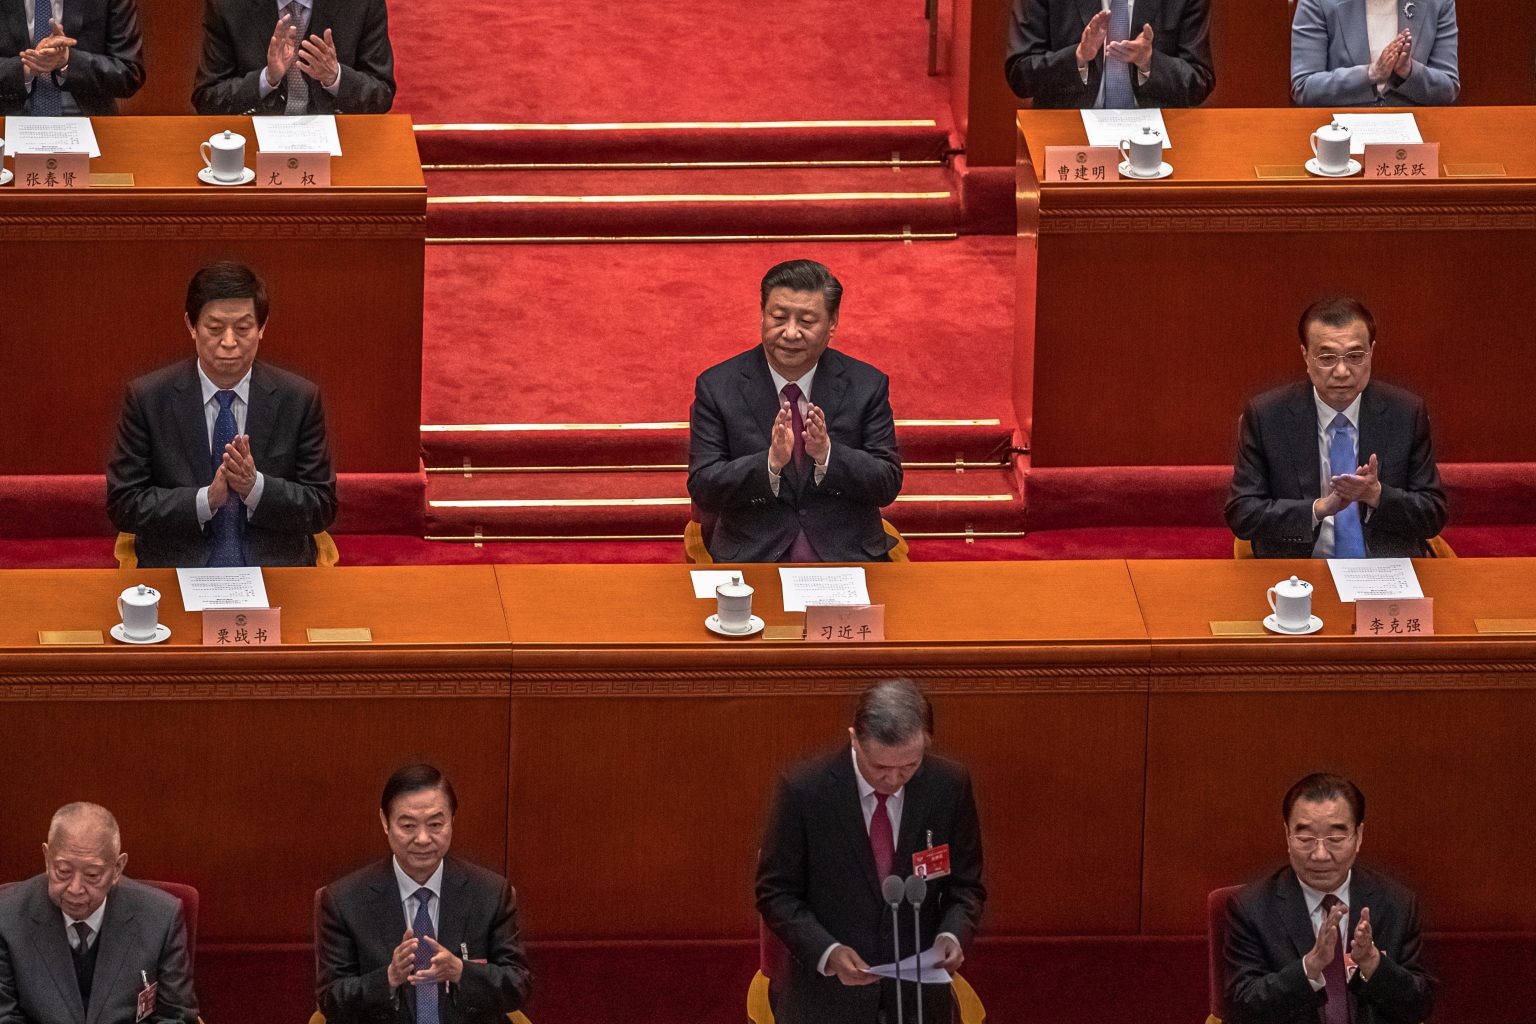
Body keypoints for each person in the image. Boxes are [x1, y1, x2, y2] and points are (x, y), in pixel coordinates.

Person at [756, 679, 986, 1024]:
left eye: (909, 766)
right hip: (826, 999)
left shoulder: (948, 785)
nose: (894, 780)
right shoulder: (805, 790)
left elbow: (966, 886)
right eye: (880, 767)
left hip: (918, 997)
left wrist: (952, 934)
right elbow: (776, 893)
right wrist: (828, 952)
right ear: (854, 739)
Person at [106, 262, 338, 568]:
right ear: (191, 325)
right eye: (215, 328)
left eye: (243, 328)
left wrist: (255, 487)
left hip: (273, 568)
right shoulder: (148, 398)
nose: (229, 342)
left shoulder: (298, 399)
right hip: (179, 566)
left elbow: (322, 505)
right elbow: (124, 504)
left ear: (262, 327)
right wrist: (204, 500)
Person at [688, 260, 903, 562]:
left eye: (806, 321)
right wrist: (769, 464)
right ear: (762, 315)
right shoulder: (718, 386)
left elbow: (887, 485)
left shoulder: (866, 384)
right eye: (778, 318)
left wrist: (828, 454)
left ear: (832, 323)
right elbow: (703, 488)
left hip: (846, 557)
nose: (790, 333)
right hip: (755, 557)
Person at [1226, 297, 1446, 558]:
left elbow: (1432, 514)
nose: (1342, 371)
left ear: (1371, 352)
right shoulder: (1267, 416)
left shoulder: (1406, 413)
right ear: (1306, 356)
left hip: (1383, 568)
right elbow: (1243, 513)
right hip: (1299, 569)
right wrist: (1318, 509)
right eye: (1327, 357)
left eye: (1355, 356)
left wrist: (1377, 495)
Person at [316, 763, 532, 1024]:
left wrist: (461, 971)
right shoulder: (345, 900)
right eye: (408, 826)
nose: (422, 839)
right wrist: (388, 978)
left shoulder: (490, 893)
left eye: (435, 824)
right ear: (385, 822)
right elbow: (330, 1000)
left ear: (452, 820)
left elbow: (518, 986)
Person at [1223, 773, 1436, 1024]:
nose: (1320, 855)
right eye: (1306, 839)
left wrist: (1373, 963)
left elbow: (1420, 1006)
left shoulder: (1396, 903)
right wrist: (1309, 967)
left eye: (1335, 839)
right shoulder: (1252, 907)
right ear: (1288, 836)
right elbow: (1240, 1007)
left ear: (1358, 836)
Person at [0, 803, 197, 1024]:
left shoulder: (161, 918)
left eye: (92, 875)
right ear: (47, 858)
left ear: (117, 868)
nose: (75, 888)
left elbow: (176, 1016)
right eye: (63, 871)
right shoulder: (6, 916)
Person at [192, 0, 395, 115]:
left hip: (338, 140)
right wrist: (266, 80)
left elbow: (382, 94)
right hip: (253, 143)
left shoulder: (361, 4)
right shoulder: (227, 5)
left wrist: (335, 78)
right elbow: (207, 98)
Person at [1004, 0, 1214, 108]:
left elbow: (1199, 82)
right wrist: (1078, 57)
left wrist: (1149, 63)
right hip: (1069, 133)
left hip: (1155, 137)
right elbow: (1020, 75)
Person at [1291, 0, 1459, 106]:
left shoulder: (1439, 3)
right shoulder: (1318, 3)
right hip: (1340, 133)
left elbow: (1448, 88)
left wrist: (1408, 71)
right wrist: (1371, 73)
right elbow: (1305, 88)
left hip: (1415, 134)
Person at [0, 0, 144, 115]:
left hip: (88, 119)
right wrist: (27, 67)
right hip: (9, 117)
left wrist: (67, 60)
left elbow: (129, 74)